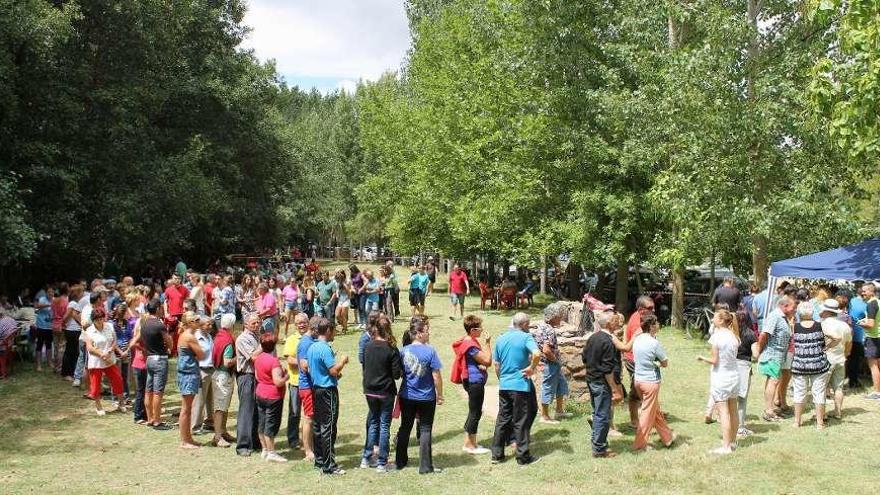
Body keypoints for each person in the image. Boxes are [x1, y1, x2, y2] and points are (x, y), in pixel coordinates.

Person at [490, 312, 541, 466]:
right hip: (520, 386)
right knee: (521, 420)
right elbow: (537, 353)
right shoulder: (526, 337)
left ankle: (497, 455)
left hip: (505, 385)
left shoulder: (501, 338)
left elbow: (497, 365)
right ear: (525, 324)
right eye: (529, 324)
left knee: (503, 419)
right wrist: (532, 368)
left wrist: (503, 380)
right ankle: (523, 457)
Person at [396, 315, 443, 474]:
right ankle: (425, 466)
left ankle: (400, 461)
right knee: (425, 429)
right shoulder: (430, 351)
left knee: (405, 427)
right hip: (426, 397)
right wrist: (440, 394)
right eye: (427, 331)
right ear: (418, 333)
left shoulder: (403, 351)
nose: (429, 334)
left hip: (407, 396)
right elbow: (436, 375)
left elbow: (400, 372)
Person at [307, 317, 350, 475]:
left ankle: (319, 460)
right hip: (327, 391)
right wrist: (343, 361)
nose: (335, 334)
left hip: (316, 388)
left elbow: (312, 369)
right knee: (329, 427)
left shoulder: (312, 347)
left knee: (318, 426)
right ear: (328, 330)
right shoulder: (324, 348)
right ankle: (329, 465)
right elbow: (333, 370)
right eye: (334, 331)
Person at [361, 314, 402, 473]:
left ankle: (366, 457)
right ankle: (381, 462)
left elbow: (365, 367)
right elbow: (396, 374)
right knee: (384, 425)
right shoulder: (391, 349)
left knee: (373, 422)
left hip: (370, 391)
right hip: (385, 391)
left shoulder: (367, 346)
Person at [582, 311, 626, 458]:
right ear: (608, 324)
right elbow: (608, 370)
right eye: (614, 320)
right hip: (601, 382)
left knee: (596, 412)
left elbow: (584, 358)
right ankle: (599, 449)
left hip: (591, 379)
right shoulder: (608, 341)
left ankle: (597, 443)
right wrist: (615, 389)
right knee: (602, 415)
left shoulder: (592, 338)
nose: (617, 323)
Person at [697, 309, 740, 454]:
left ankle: (726, 447)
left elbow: (715, 361)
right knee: (733, 410)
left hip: (721, 378)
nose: (713, 319)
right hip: (734, 377)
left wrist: (702, 358)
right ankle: (732, 442)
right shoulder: (734, 336)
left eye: (715, 317)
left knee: (723, 413)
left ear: (721, 321)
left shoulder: (716, 337)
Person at [632, 314, 675, 451]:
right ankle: (640, 444)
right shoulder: (654, 343)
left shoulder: (637, 339)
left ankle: (667, 438)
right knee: (647, 413)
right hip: (650, 382)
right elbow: (665, 363)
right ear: (651, 326)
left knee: (654, 411)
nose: (658, 325)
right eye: (656, 323)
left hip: (638, 380)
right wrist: (656, 363)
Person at [791, 302, 835, 429]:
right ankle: (820, 423)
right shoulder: (820, 326)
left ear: (799, 313)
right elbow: (836, 338)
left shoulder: (794, 327)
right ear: (812, 312)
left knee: (799, 393)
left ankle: (797, 422)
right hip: (818, 365)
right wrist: (826, 347)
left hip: (800, 365)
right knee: (819, 394)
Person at [451, 315, 491, 454]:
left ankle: (472, 442)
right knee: (475, 412)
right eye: (480, 328)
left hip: (470, 380)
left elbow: (474, 361)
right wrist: (487, 343)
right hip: (474, 382)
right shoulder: (471, 344)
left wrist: (478, 364)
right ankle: (469, 445)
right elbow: (487, 360)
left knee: (475, 411)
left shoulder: (467, 341)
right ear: (473, 330)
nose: (482, 330)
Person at [130, 299, 171, 430]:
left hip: (149, 359)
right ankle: (157, 421)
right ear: (158, 308)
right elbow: (169, 342)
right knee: (158, 391)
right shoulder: (159, 325)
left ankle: (150, 417)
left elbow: (136, 340)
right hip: (160, 359)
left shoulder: (145, 324)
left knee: (149, 390)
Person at [758, 296, 795, 421]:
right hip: (772, 354)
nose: (794, 310)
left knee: (774, 381)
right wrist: (759, 350)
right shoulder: (775, 316)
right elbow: (764, 334)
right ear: (785, 306)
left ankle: (771, 408)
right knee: (773, 381)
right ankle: (768, 410)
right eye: (793, 308)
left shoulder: (783, 318)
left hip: (779, 356)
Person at [83, 308, 127, 416]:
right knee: (96, 384)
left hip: (109, 360)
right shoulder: (89, 331)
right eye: (98, 319)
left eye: (102, 318)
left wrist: (111, 350)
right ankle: (98, 406)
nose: (100, 321)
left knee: (118, 380)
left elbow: (114, 341)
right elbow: (89, 347)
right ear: (93, 320)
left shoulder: (109, 326)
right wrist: (101, 354)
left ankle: (121, 403)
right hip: (96, 362)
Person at [534, 302, 572, 424]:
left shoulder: (542, 326)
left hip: (552, 363)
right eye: (559, 315)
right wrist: (555, 360)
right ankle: (545, 416)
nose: (561, 318)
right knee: (548, 387)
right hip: (550, 364)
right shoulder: (549, 330)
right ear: (553, 317)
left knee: (561, 384)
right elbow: (546, 350)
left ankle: (559, 410)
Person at [254, 332, 288, 462]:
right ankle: (272, 452)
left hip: (260, 392)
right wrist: (286, 376)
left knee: (261, 423)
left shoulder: (258, 358)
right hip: (273, 396)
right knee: (271, 424)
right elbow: (278, 381)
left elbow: (257, 376)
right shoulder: (274, 361)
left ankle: (265, 449)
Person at [623, 295, 655, 427]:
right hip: (634, 360)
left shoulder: (640, 317)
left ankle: (648, 415)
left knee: (643, 389)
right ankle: (635, 420)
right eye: (650, 308)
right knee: (637, 390)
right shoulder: (638, 322)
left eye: (653, 307)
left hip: (639, 359)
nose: (653, 310)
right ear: (641, 309)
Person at [235, 314, 263, 456]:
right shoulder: (243, 339)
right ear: (246, 324)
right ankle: (243, 445)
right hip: (246, 376)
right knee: (246, 411)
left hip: (257, 377)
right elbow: (253, 357)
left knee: (257, 410)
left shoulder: (257, 336)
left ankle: (255, 441)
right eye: (253, 323)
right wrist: (264, 344)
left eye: (258, 322)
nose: (257, 325)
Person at [176, 312, 205, 449]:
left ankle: (188, 438)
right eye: (197, 319)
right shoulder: (189, 337)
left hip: (188, 372)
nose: (199, 321)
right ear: (190, 323)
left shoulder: (185, 335)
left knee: (188, 408)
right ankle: (184, 441)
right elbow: (202, 355)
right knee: (186, 409)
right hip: (188, 374)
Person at [819, 299, 851, 420]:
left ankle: (822, 414)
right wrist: (845, 354)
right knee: (838, 387)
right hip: (840, 358)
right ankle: (838, 412)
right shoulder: (844, 325)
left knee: (821, 387)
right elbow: (849, 343)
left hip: (826, 358)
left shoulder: (822, 324)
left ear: (826, 311)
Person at [210, 313, 237, 447]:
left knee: (224, 406)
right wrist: (238, 358)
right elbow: (227, 362)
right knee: (220, 408)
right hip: (223, 376)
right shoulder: (228, 341)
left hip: (218, 374)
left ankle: (223, 431)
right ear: (232, 325)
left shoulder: (219, 336)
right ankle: (217, 437)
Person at [296, 316, 320, 462]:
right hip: (307, 386)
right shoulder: (305, 343)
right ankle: (308, 450)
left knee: (312, 417)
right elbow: (305, 366)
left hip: (312, 386)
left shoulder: (311, 341)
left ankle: (313, 447)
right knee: (309, 418)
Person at [284, 313, 308, 452]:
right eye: (299, 323)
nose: (301, 325)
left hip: (310, 382)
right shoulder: (291, 339)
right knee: (294, 412)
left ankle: (309, 438)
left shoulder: (313, 338)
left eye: (304, 322)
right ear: (295, 325)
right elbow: (290, 361)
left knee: (310, 413)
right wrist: (305, 364)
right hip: (295, 382)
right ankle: (293, 439)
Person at [191, 315, 215, 435]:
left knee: (210, 399)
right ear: (201, 325)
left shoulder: (209, 336)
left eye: (211, 324)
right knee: (199, 400)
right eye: (208, 324)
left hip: (211, 369)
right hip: (201, 370)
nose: (211, 326)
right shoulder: (195, 338)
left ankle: (209, 422)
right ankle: (195, 426)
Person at [857, 283, 880, 399]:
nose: (862, 293)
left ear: (872, 291)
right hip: (878, 336)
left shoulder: (871, 304)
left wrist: (861, 324)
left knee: (873, 366)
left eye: (865, 291)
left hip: (873, 337)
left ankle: (877, 392)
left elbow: (870, 325)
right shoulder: (878, 302)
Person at [61, 284, 84, 382]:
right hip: (72, 330)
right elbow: (69, 316)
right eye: (81, 291)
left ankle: (73, 372)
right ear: (77, 293)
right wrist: (81, 323)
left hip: (75, 330)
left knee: (75, 352)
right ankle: (66, 373)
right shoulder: (73, 304)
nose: (83, 293)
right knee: (70, 352)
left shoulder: (75, 303)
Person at [847, 288, 867, 390]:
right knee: (856, 359)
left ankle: (851, 379)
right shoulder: (866, 304)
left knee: (850, 359)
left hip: (848, 333)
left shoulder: (851, 301)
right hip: (859, 335)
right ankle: (853, 381)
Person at [33, 286, 54, 372]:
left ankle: (49, 362)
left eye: (52, 292)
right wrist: (49, 304)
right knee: (40, 345)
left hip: (50, 326)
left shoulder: (54, 299)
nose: (51, 293)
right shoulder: (42, 299)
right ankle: (38, 365)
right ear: (46, 293)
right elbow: (37, 307)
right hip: (41, 325)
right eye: (49, 292)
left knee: (49, 345)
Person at [51, 283, 69, 374]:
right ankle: (59, 367)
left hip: (54, 324)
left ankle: (55, 366)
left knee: (55, 346)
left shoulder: (54, 300)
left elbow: (52, 311)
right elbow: (66, 315)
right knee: (61, 347)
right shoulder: (66, 301)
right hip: (62, 325)